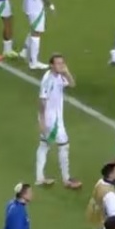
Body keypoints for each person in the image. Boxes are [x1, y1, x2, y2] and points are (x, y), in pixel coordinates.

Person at [35, 53, 81, 188]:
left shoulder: (59, 76)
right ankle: (67, 180)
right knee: (64, 146)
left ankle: (39, 178)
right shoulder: (48, 80)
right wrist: (42, 121)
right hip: (52, 120)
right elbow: (42, 100)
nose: (61, 65)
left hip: (55, 117)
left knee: (44, 145)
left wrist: (66, 72)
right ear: (51, 65)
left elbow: (72, 84)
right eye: (58, 63)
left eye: (62, 63)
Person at [19, 0, 55, 69]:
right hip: (36, 7)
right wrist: (51, 6)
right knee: (36, 32)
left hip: (27, 4)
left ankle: (24, 51)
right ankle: (33, 62)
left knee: (34, 29)